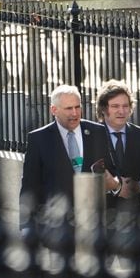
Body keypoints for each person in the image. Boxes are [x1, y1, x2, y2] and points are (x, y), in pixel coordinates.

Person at [20, 85, 113, 228]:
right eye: (69, 108)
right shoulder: (38, 139)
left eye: (77, 107)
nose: (75, 113)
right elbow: (30, 185)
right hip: (56, 225)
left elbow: (111, 171)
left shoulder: (97, 132)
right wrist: (26, 226)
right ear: (54, 110)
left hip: (92, 223)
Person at [95, 79, 140, 234]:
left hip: (134, 221)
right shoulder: (90, 136)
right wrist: (115, 187)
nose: (121, 111)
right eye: (115, 106)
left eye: (125, 106)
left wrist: (138, 187)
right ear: (104, 109)